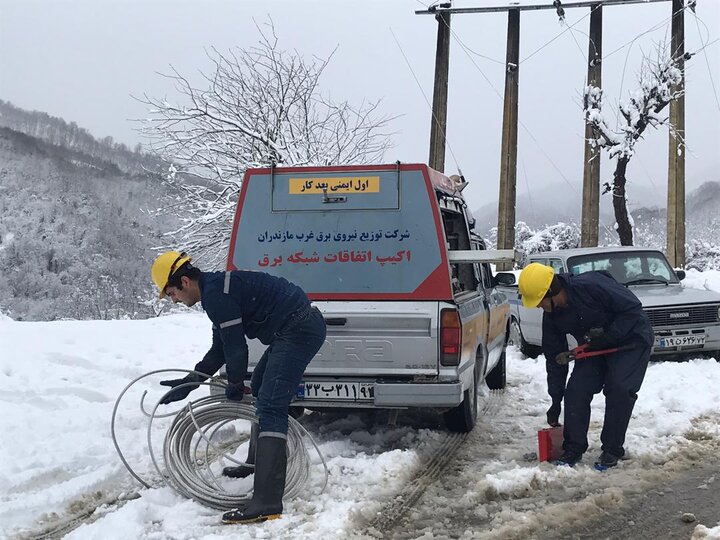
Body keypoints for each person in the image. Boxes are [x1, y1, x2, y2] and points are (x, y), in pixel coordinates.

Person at [150, 251, 327, 524]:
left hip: (300, 329)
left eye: (171, 293)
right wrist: (191, 381)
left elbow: (235, 346)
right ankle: (256, 464)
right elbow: (220, 347)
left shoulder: (217, 295)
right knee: (259, 386)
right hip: (293, 328)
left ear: (184, 282)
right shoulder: (215, 290)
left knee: (270, 405)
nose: (173, 299)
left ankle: (267, 502)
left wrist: (234, 383)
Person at [518, 262, 654, 469]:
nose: (538, 306)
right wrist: (555, 400)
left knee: (619, 389)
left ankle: (612, 449)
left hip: (631, 342)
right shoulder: (552, 316)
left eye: (539, 301)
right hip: (594, 347)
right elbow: (556, 359)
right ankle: (573, 448)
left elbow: (633, 310)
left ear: (553, 291)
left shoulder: (592, 286)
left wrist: (609, 335)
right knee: (576, 391)